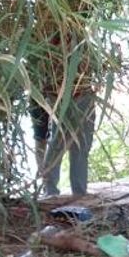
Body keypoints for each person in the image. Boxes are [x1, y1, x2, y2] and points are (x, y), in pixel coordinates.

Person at [37, 30, 101, 198]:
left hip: (84, 96)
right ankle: (50, 190)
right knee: (57, 142)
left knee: (82, 144)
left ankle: (79, 191)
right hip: (58, 98)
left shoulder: (83, 37)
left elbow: (94, 64)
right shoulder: (50, 36)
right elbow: (44, 70)